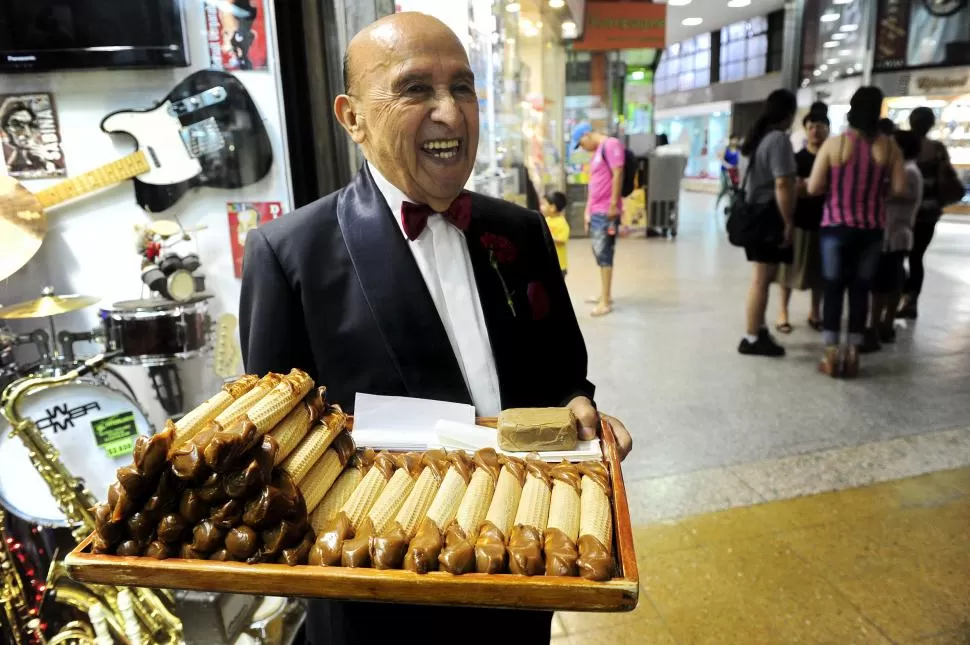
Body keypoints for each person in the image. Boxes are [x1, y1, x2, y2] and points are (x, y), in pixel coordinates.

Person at [238, 13, 632, 645]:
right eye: (415, 89)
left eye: (464, 88)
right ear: (352, 117)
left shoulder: (521, 234)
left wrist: (580, 409)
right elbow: (275, 445)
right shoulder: (290, 256)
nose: (450, 113)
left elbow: (564, 374)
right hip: (376, 605)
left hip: (516, 575)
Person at [807, 86, 906, 377]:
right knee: (861, 289)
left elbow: (813, 187)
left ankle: (830, 355)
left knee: (834, 287)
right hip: (872, 230)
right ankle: (852, 355)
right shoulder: (889, 148)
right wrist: (876, 193)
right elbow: (900, 189)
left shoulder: (835, 145)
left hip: (835, 227)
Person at [736, 89, 797, 358]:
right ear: (789, 114)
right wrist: (788, 222)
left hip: (752, 215)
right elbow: (782, 183)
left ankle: (757, 330)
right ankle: (751, 337)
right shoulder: (777, 140)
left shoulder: (754, 139)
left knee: (761, 277)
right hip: (768, 217)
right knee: (762, 279)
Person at [866, 129, 923, 349]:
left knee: (882, 285)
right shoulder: (909, 170)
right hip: (897, 235)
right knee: (891, 282)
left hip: (893, 236)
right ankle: (885, 325)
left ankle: (878, 325)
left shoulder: (907, 171)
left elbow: (886, 193)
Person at [775, 109, 829, 335]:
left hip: (824, 222)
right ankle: (782, 312)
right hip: (798, 221)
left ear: (827, 129)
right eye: (811, 127)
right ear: (806, 131)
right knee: (788, 271)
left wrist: (807, 187)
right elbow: (793, 189)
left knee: (819, 273)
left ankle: (815, 312)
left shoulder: (830, 159)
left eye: (820, 127)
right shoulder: (797, 159)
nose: (815, 131)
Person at [898, 107, 951, 319]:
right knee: (916, 257)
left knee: (897, 257)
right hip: (929, 214)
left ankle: (902, 294)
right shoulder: (938, 149)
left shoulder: (904, 145)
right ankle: (911, 301)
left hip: (904, 213)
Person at [572, 122, 625, 317]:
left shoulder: (610, 145)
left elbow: (618, 173)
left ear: (587, 135)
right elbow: (595, 183)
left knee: (605, 252)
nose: (583, 148)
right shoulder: (598, 152)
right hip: (596, 211)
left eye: (581, 143)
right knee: (599, 250)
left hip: (606, 211)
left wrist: (613, 204)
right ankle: (604, 294)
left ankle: (606, 300)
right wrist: (588, 211)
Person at [541, 190, 570, 277]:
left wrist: (550, 237)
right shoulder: (546, 220)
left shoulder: (562, 223)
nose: (541, 207)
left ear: (552, 208)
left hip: (559, 265)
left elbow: (562, 240)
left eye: (544, 204)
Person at [715, 134, 741, 210]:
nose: (735, 141)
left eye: (736, 139)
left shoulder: (738, 151)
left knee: (732, 190)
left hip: (733, 173)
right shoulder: (726, 149)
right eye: (734, 139)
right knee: (724, 189)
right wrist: (728, 166)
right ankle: (717, 204)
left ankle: (731, 207)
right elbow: (721, 159)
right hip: (724, 172)